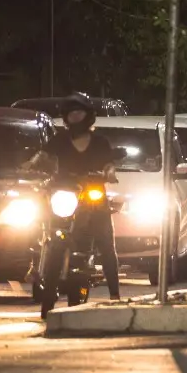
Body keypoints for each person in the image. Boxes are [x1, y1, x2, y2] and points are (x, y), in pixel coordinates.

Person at [37, 93, 121, 299]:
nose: (75, 117)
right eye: (71, 113)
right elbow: (43, 157)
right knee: (47, 230)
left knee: (106, 245)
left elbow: (109, 165)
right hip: (65, 196)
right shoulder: (59, 140)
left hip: (93, 198)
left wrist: (109, 174)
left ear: (88, 115)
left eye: (79, 112)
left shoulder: (100, 142)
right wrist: (32, 164)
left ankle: (115, 295)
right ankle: (39, 267)